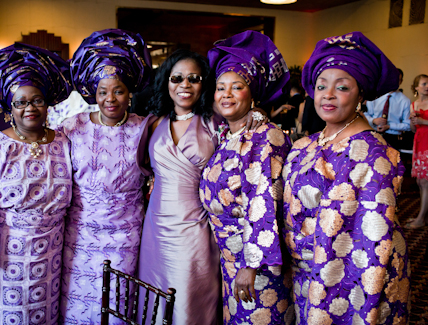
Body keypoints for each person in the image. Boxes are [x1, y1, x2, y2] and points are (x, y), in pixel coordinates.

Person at [283, 32, 410, 324]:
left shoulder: (373, 154)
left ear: (361, 94)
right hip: (306, 271)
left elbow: (367, 241)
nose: (327, 94)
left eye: (342, 87)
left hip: (348, 279)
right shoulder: (308, 143)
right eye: (320, 86)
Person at [138, 48, 266, 324]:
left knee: (188, 298)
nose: (184, 85)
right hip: (155, 227)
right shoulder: (154, 122)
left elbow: (244, 132)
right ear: (166, 82)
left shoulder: (215, 122)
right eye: (177, 78)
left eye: (193, 78)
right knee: (155, 296)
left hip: (195, 227)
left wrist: (258, 116)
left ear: (203, 84)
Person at [0, 43, 73, 324]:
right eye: (21, 102)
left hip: (51, 253)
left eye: (37, 100)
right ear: (10, 109)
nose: (30, 108)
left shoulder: (62, 142)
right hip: (7, 256)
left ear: (48, 104)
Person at [59, 29, 154, 324]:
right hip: (81, 232)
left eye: (118, 91)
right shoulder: (71, 127)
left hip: (125, 234)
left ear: (130, 93)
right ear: (93, 93)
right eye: (103, 92)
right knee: (77, 304)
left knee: (116, 305)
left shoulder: (146, 128)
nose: (110, 99)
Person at [201, 30, 293, 324]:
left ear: (252, 94)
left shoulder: (265, 137)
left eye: (236, 86)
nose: (226, 94)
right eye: (220, 87)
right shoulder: (228, 134)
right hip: (231, 259)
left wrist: (250, 265)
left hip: (258, 266)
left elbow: (263, 202)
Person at [363, 68, 411, 150]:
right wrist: (373, 120)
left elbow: (408, 125)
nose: (394, 82)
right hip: (374, 134)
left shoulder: (405, 101)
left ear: (401, 81)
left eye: (397, 80)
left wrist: (389, 126)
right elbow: (365, 114)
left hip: (394, 138)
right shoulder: (375, 96)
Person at [405, 74, 428, 229]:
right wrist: (413, 121)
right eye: (424, 83)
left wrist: (423, 121)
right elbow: (413, 129)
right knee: (420, 181)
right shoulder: (413, 105)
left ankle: (421, 218)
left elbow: (423, 123)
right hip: (419, 142)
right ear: (416, 87)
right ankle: (424, 214)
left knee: (425, 181)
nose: (427, 86)